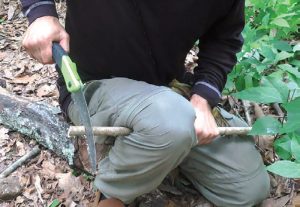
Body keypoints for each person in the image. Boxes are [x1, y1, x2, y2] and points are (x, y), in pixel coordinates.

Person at [20, 0, 270, 206]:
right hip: (93, 86)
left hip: (166, 88)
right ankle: (112, 195)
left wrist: (203, 98)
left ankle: (160, 146)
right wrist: (40, 13)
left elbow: (223, 39)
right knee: (169, 120)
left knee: (246, 188)